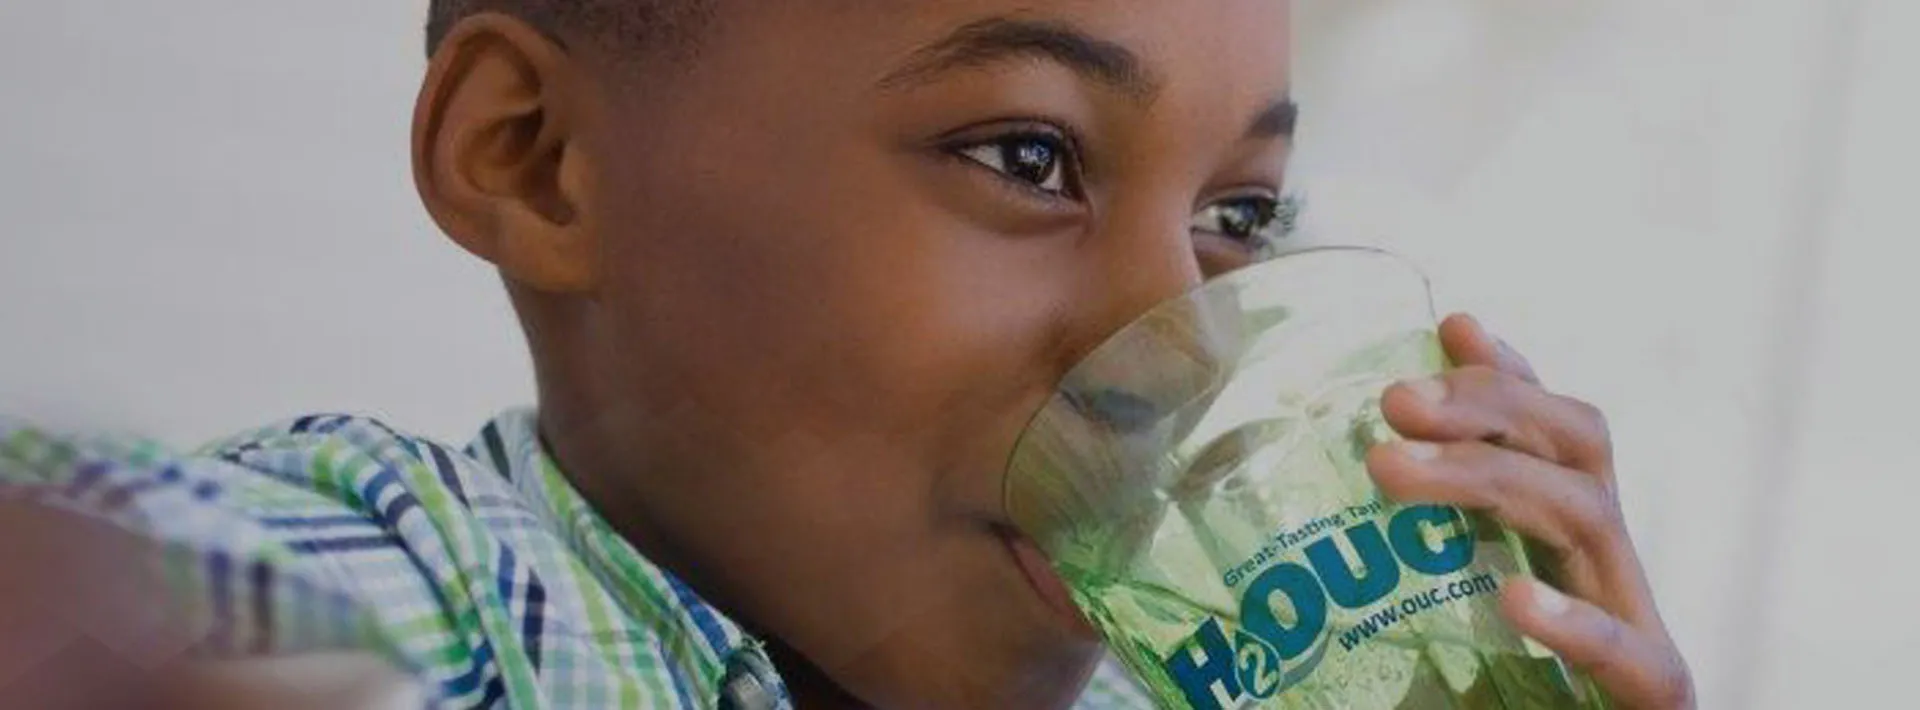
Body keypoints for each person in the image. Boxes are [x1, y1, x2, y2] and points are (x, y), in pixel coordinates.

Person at [0, 0, 1693, 707]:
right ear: (534, 157)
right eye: (1030, 157)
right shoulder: (397, 595)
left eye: (1239, 218)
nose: (1182, 345)